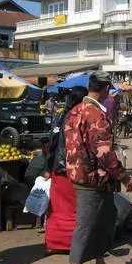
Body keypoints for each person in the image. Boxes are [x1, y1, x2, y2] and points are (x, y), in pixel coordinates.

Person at [64, 71, 132, 264]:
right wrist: (124, 177)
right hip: (91, 179)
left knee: (106, 218)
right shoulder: (96, 115)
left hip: (82, 174)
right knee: (87, 224)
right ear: (105, 90)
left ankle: (100, 263)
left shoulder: (75, 111)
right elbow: (105, 153)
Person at [44, 88, 87, 254]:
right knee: (75, 208)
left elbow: (52, 144)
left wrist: (48, 167)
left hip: (57, 169)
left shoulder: (59, 117)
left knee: (57, 207)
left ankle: (53, 243)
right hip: (73, 170)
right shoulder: (79, 118)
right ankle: (72, 245)